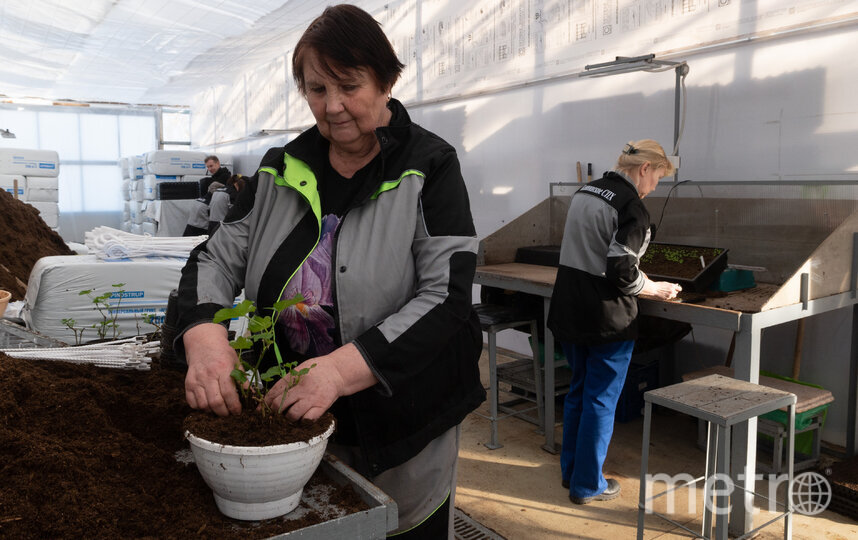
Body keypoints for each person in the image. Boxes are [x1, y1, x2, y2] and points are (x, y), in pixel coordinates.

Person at [173, 5, 485, 538]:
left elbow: (447, 294)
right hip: (295, 413)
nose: (333, 106)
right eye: (317, 89)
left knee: (397, 522)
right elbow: (214, 258)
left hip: (402, 418)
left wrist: (340, 371)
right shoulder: (281, 169)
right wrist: (205, 340)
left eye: (349, 86)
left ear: (387, 82)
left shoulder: (428, 165)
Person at [547, 139, 682, 505]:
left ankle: (571, 473)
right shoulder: (632, 208)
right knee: (601, 400)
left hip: (570, 309)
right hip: (606, 318)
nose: (655, 187)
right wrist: (653, 288)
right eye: (657, 178)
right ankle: (588, 485)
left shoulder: (586, 191)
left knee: (579, 391)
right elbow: (622, 271)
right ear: (644, 169)